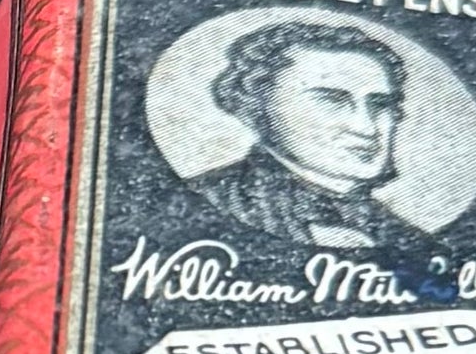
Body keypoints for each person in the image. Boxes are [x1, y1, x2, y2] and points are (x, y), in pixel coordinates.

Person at [174, 18, 453, 270]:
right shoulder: (195, 203)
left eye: (380, 105)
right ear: (258, 108)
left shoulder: (412, 241)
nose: (366, 127)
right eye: (331, 101)